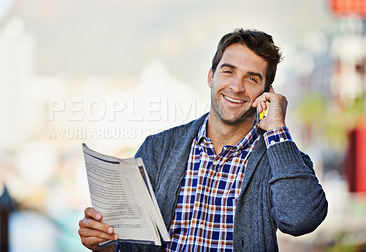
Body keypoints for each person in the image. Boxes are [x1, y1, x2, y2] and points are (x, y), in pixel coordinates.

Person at [78, 28, 328, 251]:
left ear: (267, 93)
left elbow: (301, 220)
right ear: (211, 76)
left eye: (251, 78)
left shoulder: (279, 157)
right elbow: (133, 245)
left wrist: (276, 129)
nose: (237, 87)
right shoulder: (158, 148)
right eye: (228, 72)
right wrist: (107, 244)